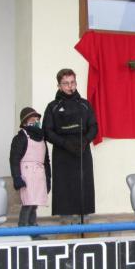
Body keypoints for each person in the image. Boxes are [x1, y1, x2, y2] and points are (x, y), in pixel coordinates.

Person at [43, 69, 98, 221]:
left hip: (82, 149)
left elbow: (94, 126)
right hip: (62, 151)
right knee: (64, 184)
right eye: (66, 83)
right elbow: (47, 131)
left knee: (83, 182)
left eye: (72, 82)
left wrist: (85, 140)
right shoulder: (52, 106)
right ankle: (65, 220)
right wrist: (64, 143)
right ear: (59, 86)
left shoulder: (85, 105)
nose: (70, 86)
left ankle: (84, 217)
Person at [10, 107, 51, 227]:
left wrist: (48, 178)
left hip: (39, 175)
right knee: (28, 204)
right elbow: (14, 159)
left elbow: (46, 161)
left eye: (37, 119)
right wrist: (17, 177)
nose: (36, 121)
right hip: (26, 175)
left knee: (35, 204)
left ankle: (33, 229)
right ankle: (23, 229)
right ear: (24, 122)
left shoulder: (42, 138)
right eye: (32, 119)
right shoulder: (20, 138)